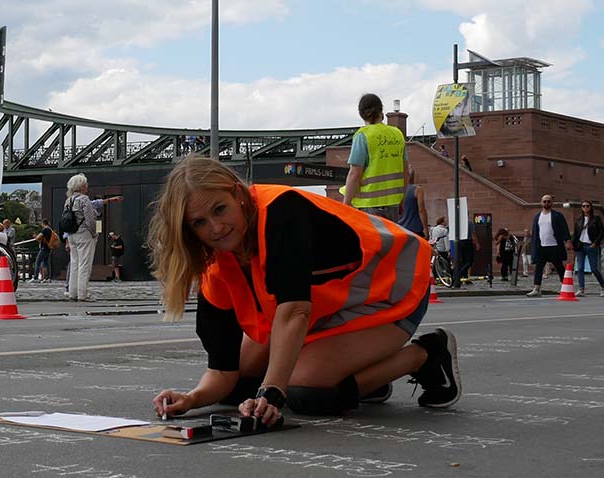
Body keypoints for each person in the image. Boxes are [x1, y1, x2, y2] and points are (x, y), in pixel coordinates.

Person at [148, 157, 460, 428]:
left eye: (219, 210)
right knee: (239, 386)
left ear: (236, 193)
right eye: (200, 223)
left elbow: (295, 311)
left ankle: (425, 355)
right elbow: (222, 372)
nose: (216, 228)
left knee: (304, 391)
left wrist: (271, 392)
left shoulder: (282, 212)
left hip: (391, 291)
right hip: (331, 307)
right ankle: (363, 372)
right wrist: (191, 399)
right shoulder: (216, 266)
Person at [342, 94, 406, 221]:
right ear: (381, 111)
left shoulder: (363, 136)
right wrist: (402, 200)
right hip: (393, 204)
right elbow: (405, 172)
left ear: (361, 114)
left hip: (368, 204)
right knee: (390, 240)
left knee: (371, 241)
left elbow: (355, 174)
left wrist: (346, 204)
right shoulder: (397, 134)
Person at [63, 173, 123, 301]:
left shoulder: (69, 200)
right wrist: (94, 234)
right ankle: (83, 294)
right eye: (86, 184)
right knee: (84, 265)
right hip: (84, 235)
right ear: (82, 186)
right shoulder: (84, 199)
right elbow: (90, 219)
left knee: (74, 264)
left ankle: (72, 293)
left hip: (72, 235)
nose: (87, 186)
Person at [526, 195, 572, 297]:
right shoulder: (538, 217)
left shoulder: (557, 215)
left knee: (559, 267)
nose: (546, 203)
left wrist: (567, 241)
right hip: (542, 246)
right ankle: (536, 289)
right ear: (541, 203)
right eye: (544, 201)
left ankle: (565, 286)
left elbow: (564, 228)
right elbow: (536, 231)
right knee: (539, 267)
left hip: (554, 245)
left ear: (552, 203)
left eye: (548, 201)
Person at [571, 200, 604, 295]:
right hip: (580, 246)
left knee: (594, 269)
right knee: (580, 268)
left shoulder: (596, 219)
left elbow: (601, 232)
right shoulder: (579, 219)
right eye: (583, 206)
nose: (585, 208)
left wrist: (596, 243)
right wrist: (572, 244)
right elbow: (576, 233)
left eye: (587, 206)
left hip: (591, 246)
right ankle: (581, 289)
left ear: (590, 207)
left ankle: (603, 286)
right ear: (581, 208)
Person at [398, 169, 428, 238]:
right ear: (412, 176)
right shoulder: (418, 190)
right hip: (415, 229)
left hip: (400, 229)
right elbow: (422, 210)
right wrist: (426, 229)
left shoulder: (397, 190)